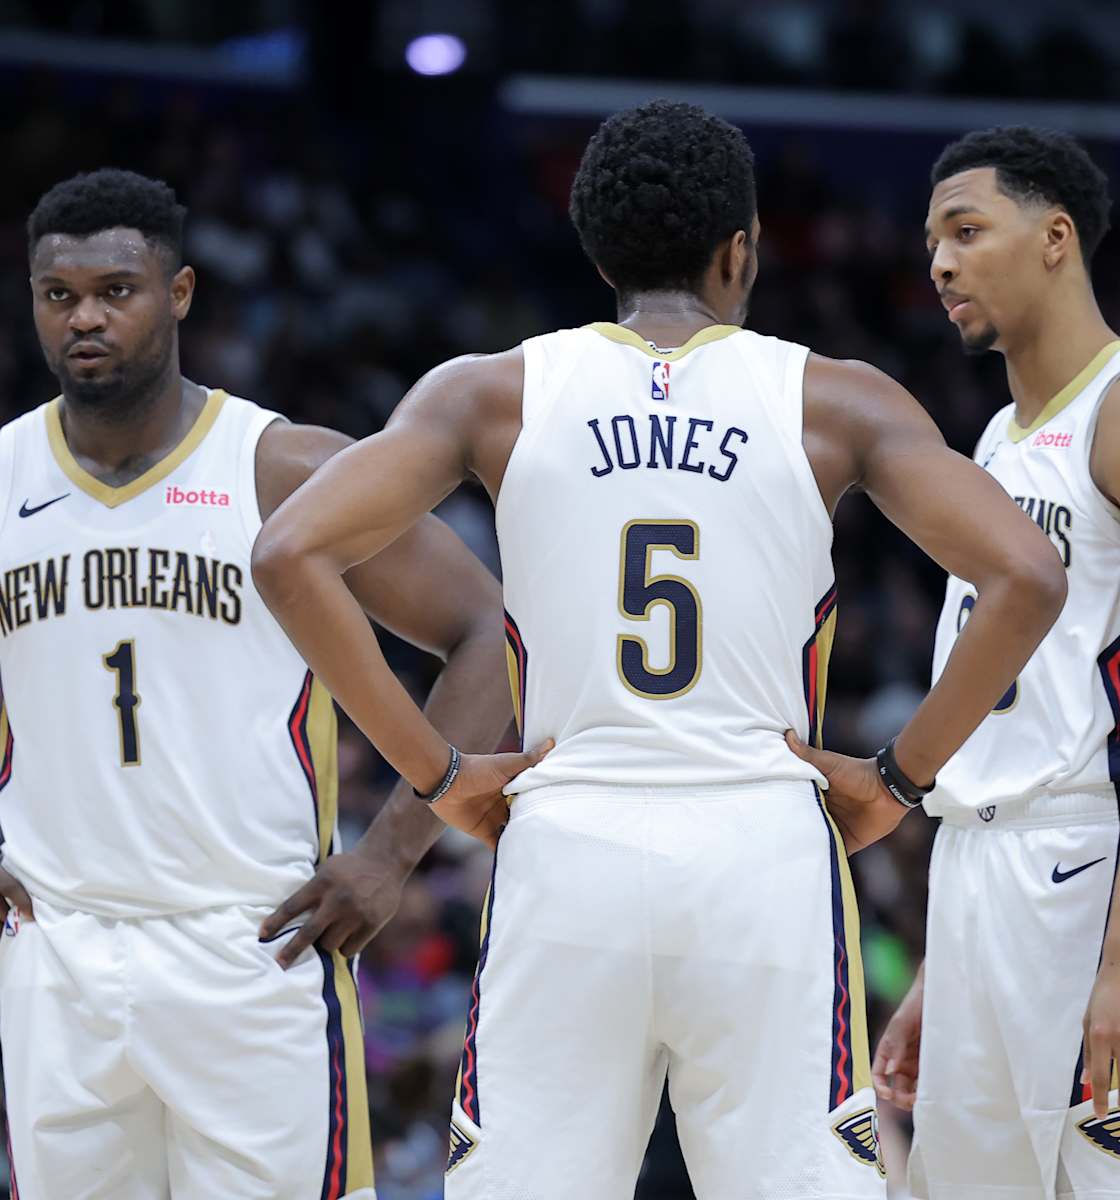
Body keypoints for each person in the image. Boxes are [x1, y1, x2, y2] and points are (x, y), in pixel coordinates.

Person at [251, 99, 1066, 1198]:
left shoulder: (491, 391)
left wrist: (435, 773)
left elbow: (289, 552)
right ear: (742, 251)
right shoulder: (835, 398)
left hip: (566, 846)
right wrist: (898, 781)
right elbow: (1028, 575)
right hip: (763, 851)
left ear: (598, 253)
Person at [0, 168, 518, 1200]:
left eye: (116, 290)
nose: (85, 317)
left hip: (255, 941)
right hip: (58, 949)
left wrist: (392, 854)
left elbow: (488, 633)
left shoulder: (282, 469)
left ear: (179, 293)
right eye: (59, 296)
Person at [833, 127, 1120, 1199]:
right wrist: (939, 966)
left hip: (1093, 870)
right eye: (932, 243)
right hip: (974, 872)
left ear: (1056, 237)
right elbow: (1005, 716)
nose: (941, 263)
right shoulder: (999, 441)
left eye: (968, 232)